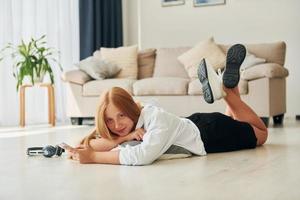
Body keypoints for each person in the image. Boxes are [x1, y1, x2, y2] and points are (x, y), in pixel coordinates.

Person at [67, 44, 268, 165]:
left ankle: (225, 93)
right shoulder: (130, 125)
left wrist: (93, 157)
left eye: (121, 116)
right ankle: (226, 86)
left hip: (211, 135)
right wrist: (125, 137)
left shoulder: (155, 118)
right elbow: (87, 144)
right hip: (198, 125)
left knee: (260, 134)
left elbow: (143, 156)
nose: (117, 125)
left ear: (131, 109)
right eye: (109, 120)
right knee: (235, 119)